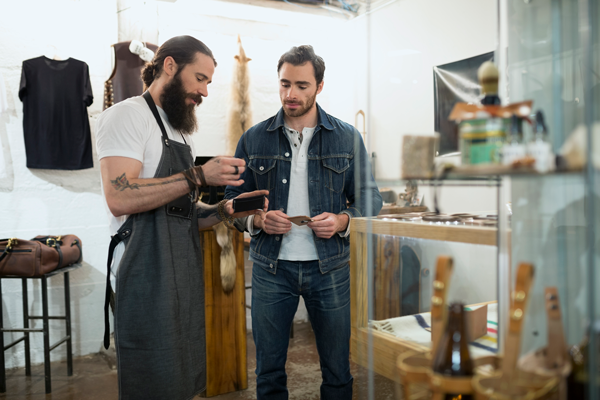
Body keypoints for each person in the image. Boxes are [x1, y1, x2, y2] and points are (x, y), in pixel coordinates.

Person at [96, 35, 267, 400]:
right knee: (152, 379)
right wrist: (199, 175)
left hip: (181, 273)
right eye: (200, 78)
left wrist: (224, 210)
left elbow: (182, 213)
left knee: (182, 377)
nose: (204, 91)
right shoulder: (127, 116)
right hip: (145, 271)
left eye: (208, 82)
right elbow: (118, 196)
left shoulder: (176, 130)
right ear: (170, 66)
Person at [226, 45, 383, 400]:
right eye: (284, 85)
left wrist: (344, 220)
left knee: (338, 371)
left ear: (319, 86)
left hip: (329, 268)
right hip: (271, 267)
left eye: (301, 85)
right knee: (267, 372)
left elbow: (372, 198)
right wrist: (258, 221)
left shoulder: (346, 137)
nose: (291, 94)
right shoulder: (254, 138)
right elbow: (229, 203)